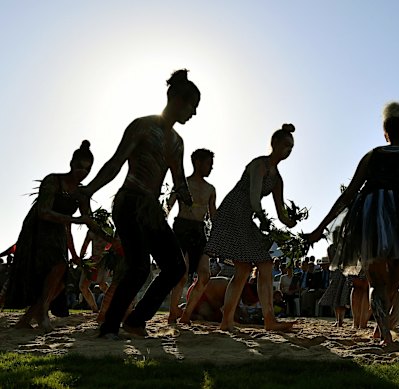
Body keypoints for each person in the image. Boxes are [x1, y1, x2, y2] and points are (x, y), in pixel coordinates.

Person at [307, 102, 399, 345]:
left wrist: (320, 228)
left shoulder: (372, 155)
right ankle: (382, 330)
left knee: (376, 279)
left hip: (370, 216)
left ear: (386, 134)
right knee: (394, 275)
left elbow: (348, 194)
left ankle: (383, 329)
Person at [79, 69, 200, 338]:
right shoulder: (143, 126)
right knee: (139, 266)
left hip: (151, 210)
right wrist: (89, 190)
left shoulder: (177, 142)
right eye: (193, 106)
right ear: (177, 100)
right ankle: (109, 327)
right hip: (130, 202)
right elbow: (115, 163)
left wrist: (187, 198)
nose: (193, 113)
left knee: (175, 266)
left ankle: (135, 321)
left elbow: (179, 180)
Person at [205, 124, 298, 332]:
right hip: (234, 212)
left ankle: (245, 320)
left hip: (247, 218)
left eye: (291, 147)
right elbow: (254, 200)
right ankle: (250, 320)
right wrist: (264, 221)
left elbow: (281, 212)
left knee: (249, 268)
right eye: (285, 145)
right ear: (274, 144)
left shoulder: (277, 179)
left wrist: (291, 222)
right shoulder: (259, 165)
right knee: (255, 265)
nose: (288, 150)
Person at [1, 141, 95, 331]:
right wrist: (76, 220)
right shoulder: (53, 180)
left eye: (87, 169)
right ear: (71, 164)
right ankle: (42, 313)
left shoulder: (82, 194)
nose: (82, 172)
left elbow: (90, 222)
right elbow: (43, 211)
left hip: (58, 232)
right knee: (53, 269)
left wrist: (111, 239)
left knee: (59, 282)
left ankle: (26, 320)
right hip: (37, 230)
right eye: (79, 167)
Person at [164, 148, 216, 324]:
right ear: (198, 163)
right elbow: (167, 207)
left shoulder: (210, 189)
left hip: (200, 231)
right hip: (182, 228)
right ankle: (172, 313)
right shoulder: (182, 184)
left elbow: (213, 215)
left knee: (204, 276)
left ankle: (186, 315)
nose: (211, 168)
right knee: (182, 275)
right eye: (208, 163)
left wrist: (221, 234)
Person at [79, 229, 110, 312]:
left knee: (102, 285)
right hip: (92, 260)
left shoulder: (108, 230)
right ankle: (94, 309)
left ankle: (115, 304)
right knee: (83, 286)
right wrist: (81, 259)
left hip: (104, 261)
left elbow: (111, 246)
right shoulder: (91, 231)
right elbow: (85, 245)